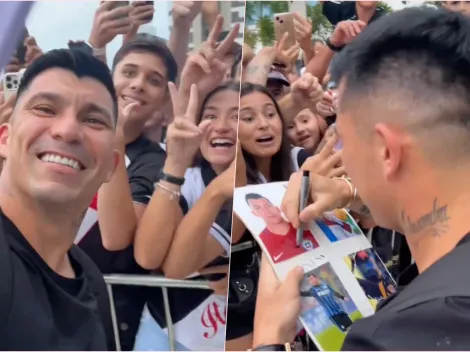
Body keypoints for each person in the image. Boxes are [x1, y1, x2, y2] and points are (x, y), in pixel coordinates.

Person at [252, 6, 470, 351]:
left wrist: (269, 339)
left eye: (345, 141)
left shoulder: (396, 335)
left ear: (386, 151)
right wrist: (350, 193)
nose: (344, 159)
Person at [0, 49, 117, 350]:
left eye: (93, 120)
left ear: (111, 167)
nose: (67, 131)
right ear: (4, 138)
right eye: (45, 109)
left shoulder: (92, 282)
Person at [245, 193, 319, 264]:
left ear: (277, 208)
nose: (267, 211)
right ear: (255, 214)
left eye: (268, 205)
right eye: (258, 208)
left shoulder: (305, 224)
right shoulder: (262, 240)